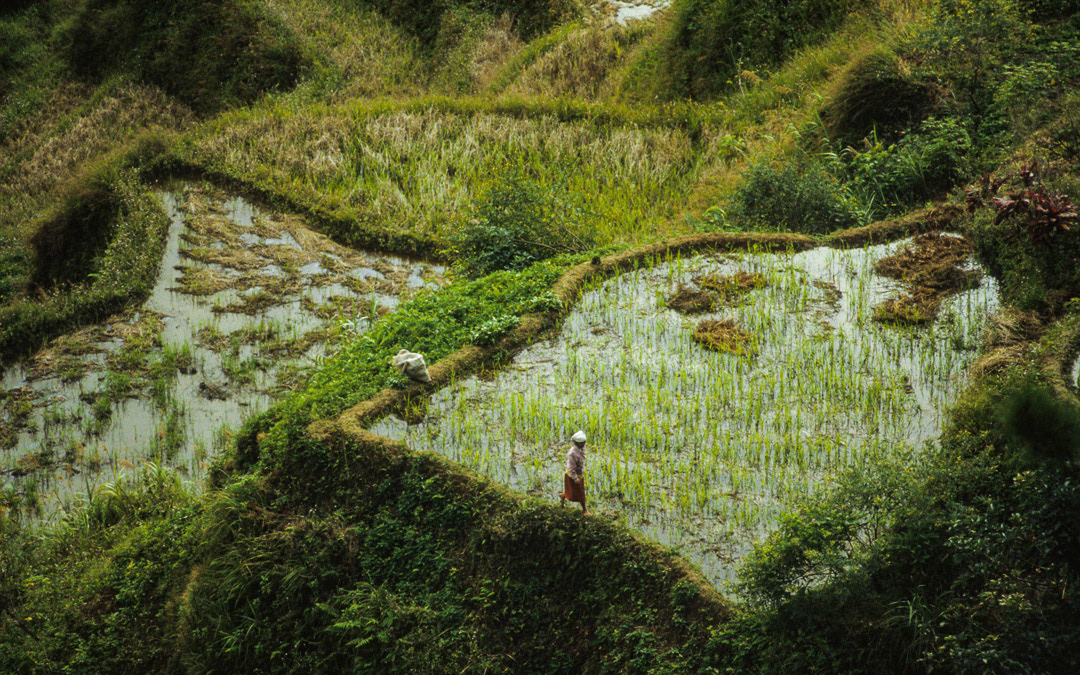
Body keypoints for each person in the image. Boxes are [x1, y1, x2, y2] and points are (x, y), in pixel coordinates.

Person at [559, 430, 589, 515]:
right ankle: (584, 510)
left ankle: (563, 496)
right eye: (582, 443)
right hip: (573, 475)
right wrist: (575, 479)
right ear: (577, 443)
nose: (584, 444)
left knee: (572, 491)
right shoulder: (572, 453)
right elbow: (571, 468)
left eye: (584, 442)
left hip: (579, 473)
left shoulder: (582, 446)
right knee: (581, 493)